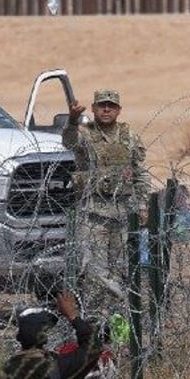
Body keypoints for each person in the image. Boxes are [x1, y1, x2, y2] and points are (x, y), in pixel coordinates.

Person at [62, 89, 152, 310]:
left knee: (120, 269)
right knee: (94, 270)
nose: (106, 109)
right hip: (93, 214)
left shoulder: (129, 137)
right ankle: (96, 324)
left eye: (111, 106)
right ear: (93, 109)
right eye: (101, 105)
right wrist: (72, 120)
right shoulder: (85, 134)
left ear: (119, 110)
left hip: (122, 212)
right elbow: (69, 142)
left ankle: (118, 320)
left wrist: (142, 205)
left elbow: (139, 172)